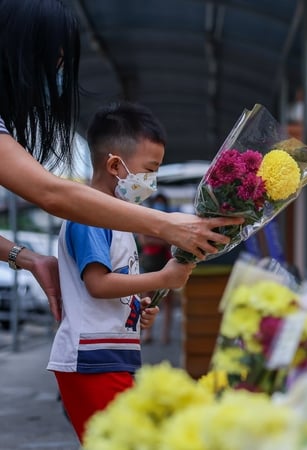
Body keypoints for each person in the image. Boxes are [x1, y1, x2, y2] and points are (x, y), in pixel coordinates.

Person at [0, 0, 241, 322]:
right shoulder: (91, 221)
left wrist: (26, 258)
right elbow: (52, 194)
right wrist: (167, 225)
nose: (57, 77)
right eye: (53, 63)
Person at [47, 102, 195, 443]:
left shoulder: (116, 217)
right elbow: (98, 284)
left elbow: (110, 284)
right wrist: (163, 279)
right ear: (115, 164)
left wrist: (136, 307)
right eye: (149, 170)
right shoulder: (90, 216)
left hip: (107, 357)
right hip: (92, 361)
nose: (152, 182)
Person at [138, 193, 177, 345]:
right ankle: (148, 332)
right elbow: (144, 241)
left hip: (165, 261)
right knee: (148, 298)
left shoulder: (169, 220)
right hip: (151, 263)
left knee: (167, 300)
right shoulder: (148, 220)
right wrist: (163, 239)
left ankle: (165, 334)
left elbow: (172, 240)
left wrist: (158, 240)